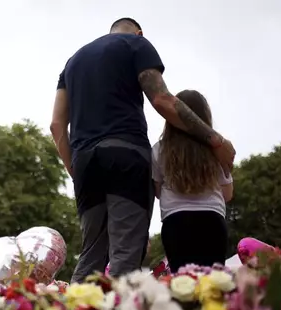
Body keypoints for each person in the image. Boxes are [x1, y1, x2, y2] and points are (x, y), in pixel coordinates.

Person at [50, 17, 236, 282]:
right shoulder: (136, 44)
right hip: (126, 157)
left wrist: (75, 172)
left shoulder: (73, 62)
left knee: (92, 254)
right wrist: (216, 140)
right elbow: (162, 100)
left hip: (84, 161)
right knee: (126, 255)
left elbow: (57, 125)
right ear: (139, 32)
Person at [152, 90, 233, 270]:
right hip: (212, 220)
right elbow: (227, 194)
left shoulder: (159, 149)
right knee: (213, 285)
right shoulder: (218, 151)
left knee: (182, 285)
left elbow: (157, 191)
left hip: (175, 221)